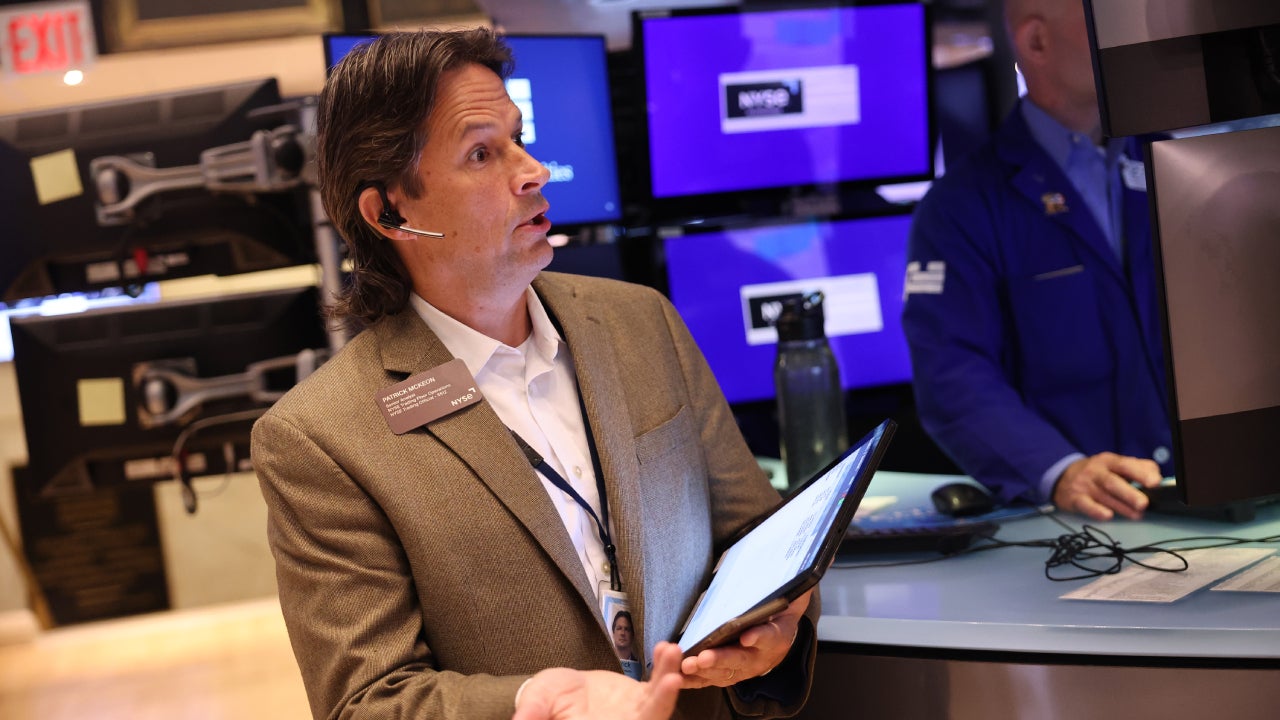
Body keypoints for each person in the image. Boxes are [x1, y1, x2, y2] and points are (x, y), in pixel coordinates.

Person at [250, 28, 817, 720]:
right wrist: (540, 701)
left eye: (518, 140)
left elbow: (755, 538)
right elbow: (366, 703)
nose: (532, 172)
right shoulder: (320, 438)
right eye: (482, 153)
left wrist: (778, 627)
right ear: (389, 212)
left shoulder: (642, 322)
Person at [901, 0, 1170, 522]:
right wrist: (1060, 469)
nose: (1131, 33)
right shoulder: (961, 207)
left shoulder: (1173, 162)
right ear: (1036, 42)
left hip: (1208, 498)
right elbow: (952, 373)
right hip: (1078, 521)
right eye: (1105, 18)